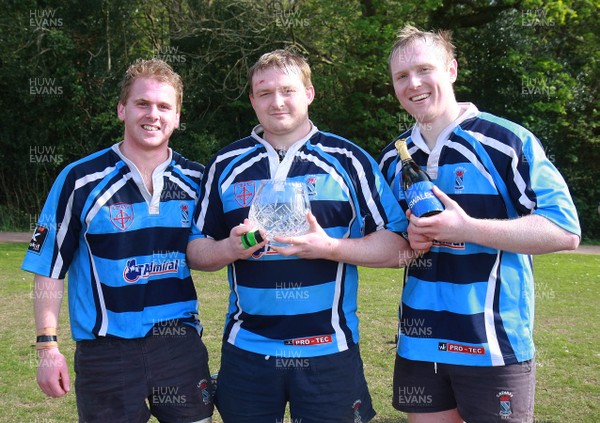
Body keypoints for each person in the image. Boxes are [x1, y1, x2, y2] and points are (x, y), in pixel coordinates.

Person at [186, 49, 412, 423]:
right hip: (248, 351)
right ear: (252, 100)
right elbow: (195, 250)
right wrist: (231, 247)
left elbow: (400, 247)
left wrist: (331, 247)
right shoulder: (225, 164)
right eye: (265, 92)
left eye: (288, 90)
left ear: (309, 93)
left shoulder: (349, 160)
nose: (277, 102)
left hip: (328, 349)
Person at [379, 25, 581, 423]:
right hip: (421, 343)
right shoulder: (393, 158)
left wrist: (468, 228)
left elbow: (564, 230)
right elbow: (395, 243)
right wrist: (410, 240)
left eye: (424, 69)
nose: (413, 83)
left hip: (492, 342)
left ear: (451, 69)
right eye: (401, 76)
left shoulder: (506, 141)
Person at [22, 59, 214, 423]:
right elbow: (48, 267)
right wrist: (47, 347)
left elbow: (214, 250)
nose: (152, 115)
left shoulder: (198, 180)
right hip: (106, 354)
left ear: (177, 117)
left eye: (164, 107)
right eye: (142, 103)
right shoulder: (78, 180)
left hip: (178, 346)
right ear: (122, 109)